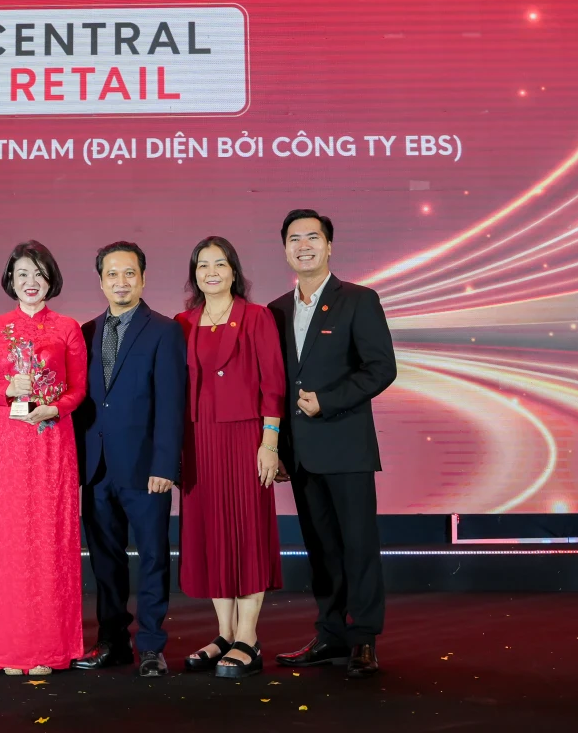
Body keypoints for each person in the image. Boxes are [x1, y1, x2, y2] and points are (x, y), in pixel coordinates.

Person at [267, 209, 397, 679]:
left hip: (345, 446)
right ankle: (330, 633)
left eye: (312, 238)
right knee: (321, 549)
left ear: (329, 246)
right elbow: (275, 385)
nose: (303, 246)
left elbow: (381, 368)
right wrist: (278, 449)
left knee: (358, 546)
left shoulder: (359, 299)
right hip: (301, 454)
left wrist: (328, 401)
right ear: (285, 249)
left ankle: (363, 639)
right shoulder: (276, 310)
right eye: (294, 239)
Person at [0, 241, 88, 675]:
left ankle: (50, 648)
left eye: (39, 273)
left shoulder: (68, 327)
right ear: (10, 280)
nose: (31, 281)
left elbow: (78, 388)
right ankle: (10, 648)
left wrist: (55, 408)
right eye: (22, 273)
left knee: (52, 540)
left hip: (52, 441)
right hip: (7, 445)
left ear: (51, 278)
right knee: (8, 542)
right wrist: (6, 391)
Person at [73, 241, 187, 678]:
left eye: (129, 273)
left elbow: (171, 403)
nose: (120, 282)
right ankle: (113, 641)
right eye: (112, 274)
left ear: (142, 278)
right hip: (96, 468)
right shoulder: (85, 332)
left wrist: (165, 465)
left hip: (145, 468)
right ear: (101, 281)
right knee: (105, 560)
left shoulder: (164, 330)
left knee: (154, 557)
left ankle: (152, 645)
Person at [173, 236, 285, 678]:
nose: (211, 272)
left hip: (245, 437)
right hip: (198, 439)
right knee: (212, 534)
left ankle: (248, 638)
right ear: (194, 274)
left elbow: (273, 383)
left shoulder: (256, 317)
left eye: (220, 264)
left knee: (247, 532)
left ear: (234, 271)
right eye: (203, 265)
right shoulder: (183, 322)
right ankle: (224, 634)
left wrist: (269, 443)